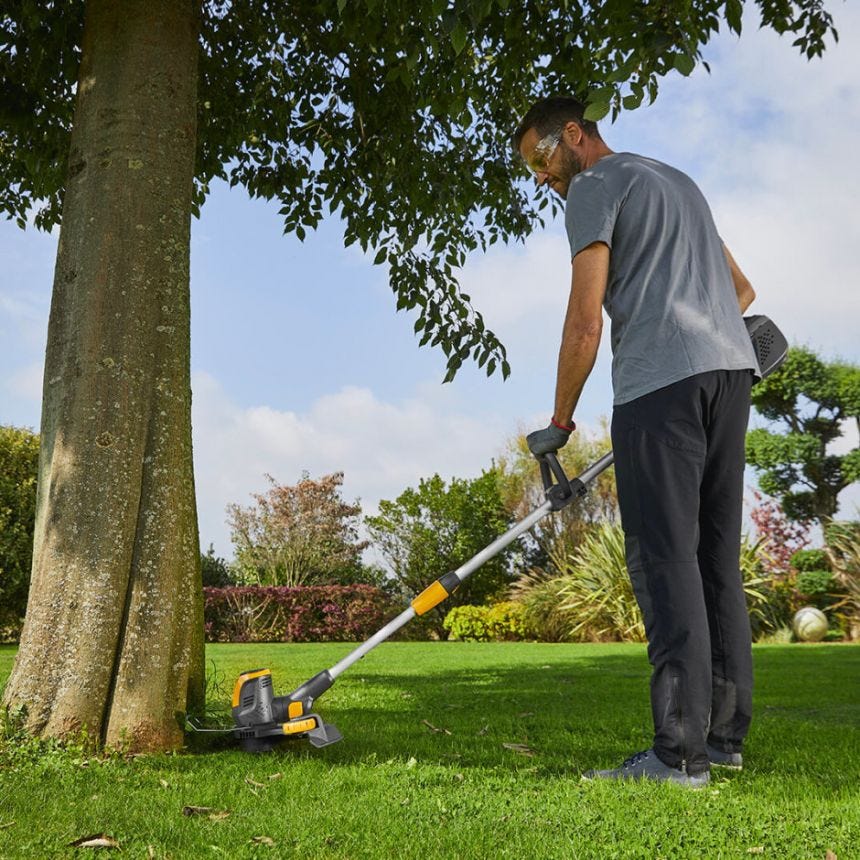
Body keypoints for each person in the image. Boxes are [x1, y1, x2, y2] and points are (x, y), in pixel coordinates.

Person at [513, 96, 760, 788]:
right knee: (715, 560)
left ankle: (679, 756)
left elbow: (584, 319)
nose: (542, 178)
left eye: (540, 159)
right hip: (728, 377)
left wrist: (559, 424)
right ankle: (724, 739)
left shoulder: (593, 186)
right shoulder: (677, 180)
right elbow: (740, 291)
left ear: (573, 135)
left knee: (663, 560)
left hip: (659, 387)